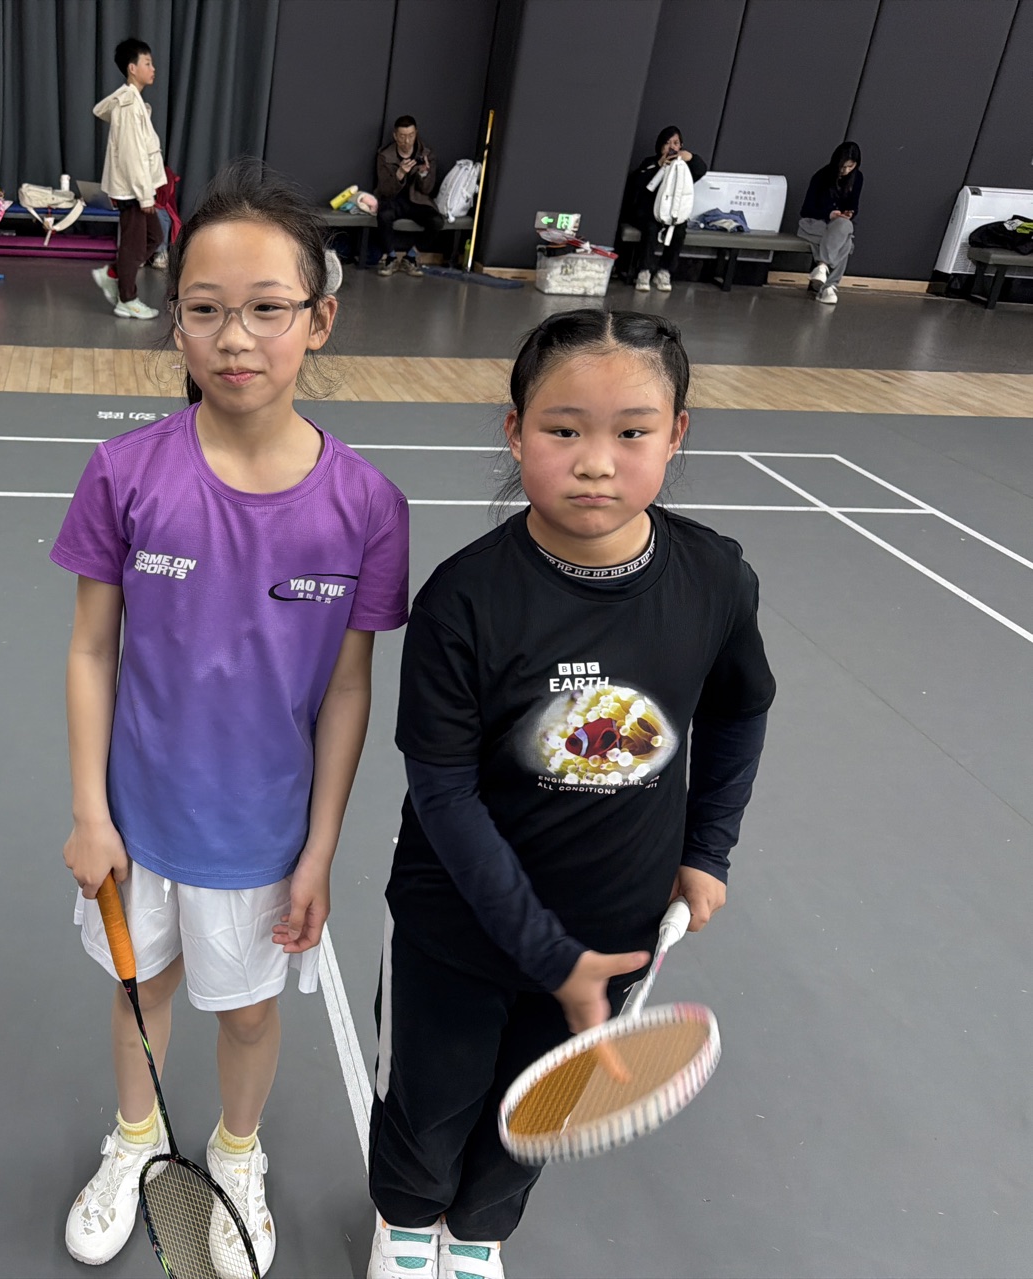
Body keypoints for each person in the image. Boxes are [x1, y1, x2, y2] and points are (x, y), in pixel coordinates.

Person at [365, 310, 775, 1279]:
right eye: (563, 429)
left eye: (631, 431)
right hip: (455, 933)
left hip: (614, 928)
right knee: (428, 1103)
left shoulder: (714, 577)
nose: (596, 461)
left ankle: (476, 1234)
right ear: (516, 433)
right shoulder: (465, 600)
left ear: (675, 435)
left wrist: (706, 849)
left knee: (541, 1106)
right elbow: (442, 791)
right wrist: (552, 955)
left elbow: (738, 711)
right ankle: (406, 1226)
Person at [54, 158, 410, 1275]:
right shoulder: (124, 473)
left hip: (260, 833)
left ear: (320, 320)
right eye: (204, 310)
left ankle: (235, 1152)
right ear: (175, 324)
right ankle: (135, 1142)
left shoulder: (366, 506)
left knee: (249, 1013)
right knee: (141, 994)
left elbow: (347, 687)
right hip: (137, 819)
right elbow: (90, 648)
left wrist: (320, 850)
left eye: (267, 309)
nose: (235, 338)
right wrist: (89, 812)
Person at [91, 39, 166, 319]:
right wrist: (145, 196)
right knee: (134, 245)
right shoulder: (128, 106)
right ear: (132, 68)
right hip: (133, 191)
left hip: (138, 190)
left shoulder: (133, 102)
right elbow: (133, 157)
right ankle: (127, 299)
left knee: (154, 237)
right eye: (148, 63)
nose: (153, 68)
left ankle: (113, 273)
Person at [622, 126, 708, 292]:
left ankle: (664, 272)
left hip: (672, 214)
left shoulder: (683, 167)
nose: (672, 147)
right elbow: (638, 183)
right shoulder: (650, 162)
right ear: (660, 146)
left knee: (679, 231)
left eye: (676, 143)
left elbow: (701, 169)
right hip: (648, 213)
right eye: (667, 143)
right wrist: (659, 165)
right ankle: (644, 271)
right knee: (651, 228)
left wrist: (690, 157)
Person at [373, 116, 444, 277]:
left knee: (437, 222)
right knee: (383, 216)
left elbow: (427, 190)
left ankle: (411, 257)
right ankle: (391, 257)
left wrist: (423, 173)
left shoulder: (426, 154)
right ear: (395, 136)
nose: (407, 141)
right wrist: (399, 174)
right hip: (393, 200)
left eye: (411, 136)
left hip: (417, 201)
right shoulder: (385, 156)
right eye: (402, 136)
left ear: (416, 134)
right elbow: (385, 190)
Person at [798, 142, 863, 306]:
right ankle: (829, 288)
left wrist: (849, 213)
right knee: (845, 242)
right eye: (843, 167)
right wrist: (828, 214)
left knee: (844, 227)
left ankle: (822, 267)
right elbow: (806, 210)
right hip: (814, 224)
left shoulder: (857, 178)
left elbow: (854, 206)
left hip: (838, 226)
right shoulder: (821, 176)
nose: (846, 171)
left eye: (850, 167)